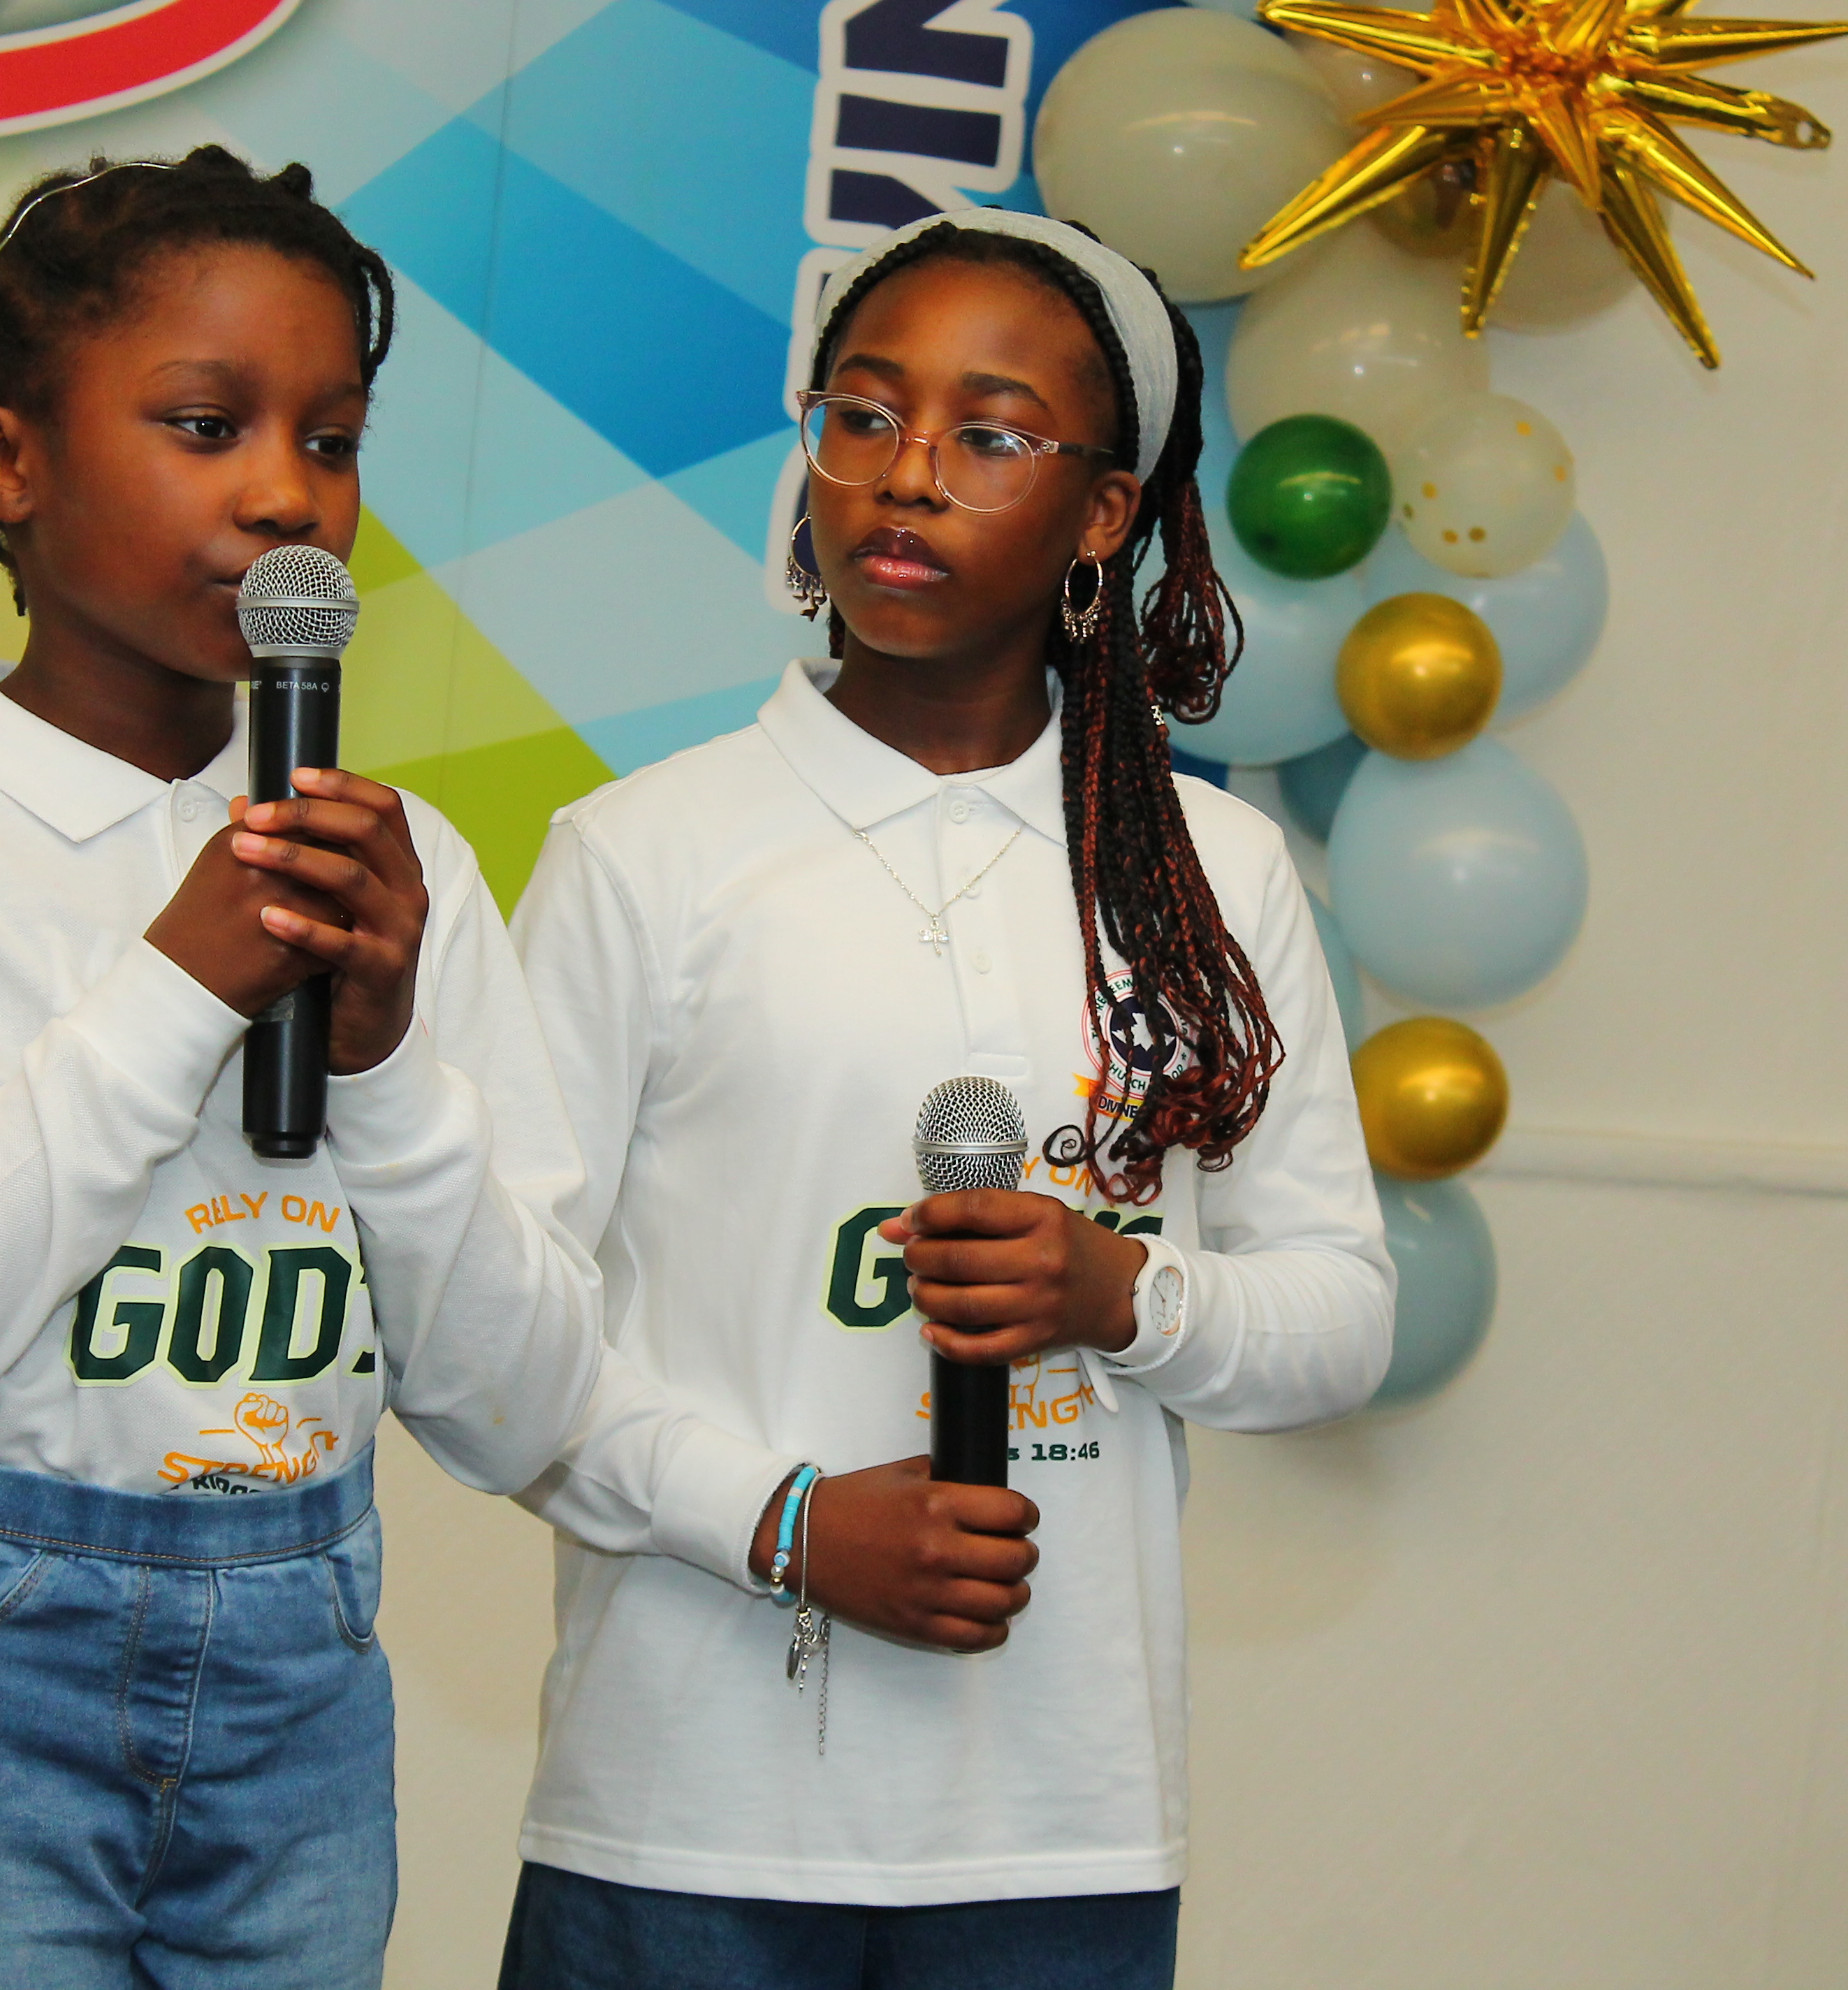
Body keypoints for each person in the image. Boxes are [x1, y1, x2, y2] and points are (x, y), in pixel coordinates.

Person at [0, 147, 602, 1987]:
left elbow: (525, 1410)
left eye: (332, 440)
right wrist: (176, 989)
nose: (285, 494)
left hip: (302, 1671)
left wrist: (386, 1069)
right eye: (206, 424)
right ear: (2, 462)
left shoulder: (399, 865)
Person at [500, 208, 1396, 1990]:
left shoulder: (1213, 871)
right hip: (686, 1817)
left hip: (1060, 1829)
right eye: (863, 414)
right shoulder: (642, 853)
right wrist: (784, 1518)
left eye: (990, 434)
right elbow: (496, 1341)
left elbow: (1340, 1319)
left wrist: (1122, 1288)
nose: (906, 474)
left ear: (1105, 514)